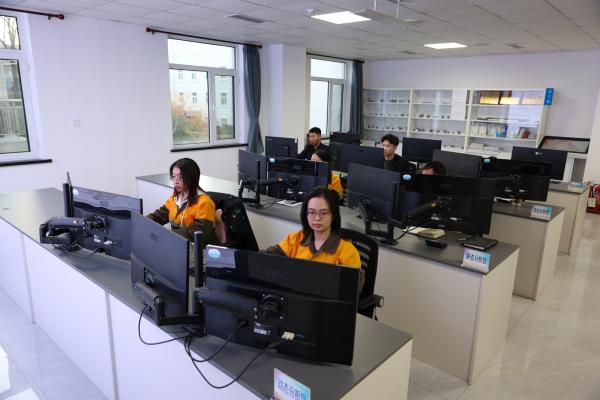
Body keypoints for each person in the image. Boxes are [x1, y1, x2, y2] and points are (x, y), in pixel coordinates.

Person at [264, 187, 360, 270]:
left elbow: (352, 285)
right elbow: (266, 259)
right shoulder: (295, 239)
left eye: (324, 213)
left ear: (334, 215)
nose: (317, 218)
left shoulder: (348, 251)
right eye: (312, 212)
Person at [147, 158, 217, 246]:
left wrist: (169, 235)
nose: (176, 182)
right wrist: (142, 222)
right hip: (178, 243)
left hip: (199, 248)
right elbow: (158, 216)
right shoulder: (175, 199)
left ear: (192, 178)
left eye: (180, 177)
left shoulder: (204, 202)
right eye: (173, 177)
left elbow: (201, 234)